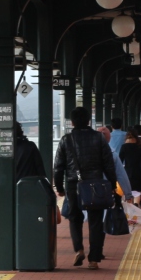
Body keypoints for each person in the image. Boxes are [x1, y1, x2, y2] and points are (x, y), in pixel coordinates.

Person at [54, 107, 125, 269]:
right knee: (96, 221)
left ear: (72, 122)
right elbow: (108, 163)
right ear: (88, 121)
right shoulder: (99, 138)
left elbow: (58, 167)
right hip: (95, 185)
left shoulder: (66, 139)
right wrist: (112, 184)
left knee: (75, 218)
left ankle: (79, 249)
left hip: (73, 185)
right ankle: (94, 259)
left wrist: (59, 188)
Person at [119, 131, 141, 206]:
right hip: (139, 171)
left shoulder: (124, 147)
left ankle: (131, 205)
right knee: (139, 189)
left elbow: (120, 160)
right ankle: (139, 203)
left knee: (129, 189)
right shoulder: (140, 146)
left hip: (128, 171)